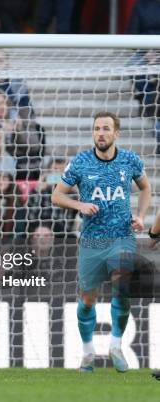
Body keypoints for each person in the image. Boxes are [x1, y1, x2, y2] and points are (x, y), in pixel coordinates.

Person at [51, 111, 151, 373]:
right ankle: (87, 353)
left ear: (116, 133)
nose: (101, 133)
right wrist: (80, 204)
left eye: (106, 129)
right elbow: (57, 196)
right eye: (97, 129)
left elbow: (146, 188)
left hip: (122, 236)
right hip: (92, 241)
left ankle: (116, 345)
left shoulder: (130, 160)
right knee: (87, 300)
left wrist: (140, 216)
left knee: (123, 287)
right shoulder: (80, 162)